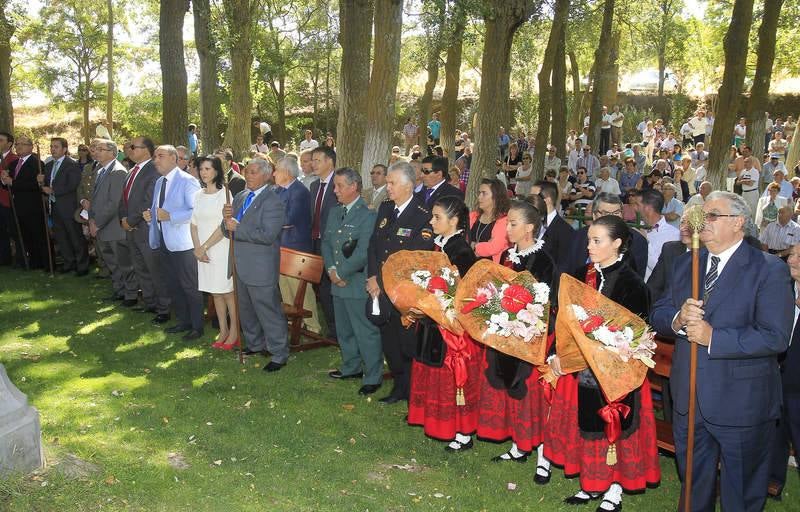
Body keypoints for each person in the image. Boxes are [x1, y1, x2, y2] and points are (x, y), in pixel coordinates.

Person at [651, 190, 793, 511]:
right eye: (703, 215)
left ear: (739, 222)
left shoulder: (768, 269)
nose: (704, 221)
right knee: (693, 487)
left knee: (740, 494)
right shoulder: (687, 263)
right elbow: (658, 312)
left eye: (713, 215)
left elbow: (775, 337)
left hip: (741, 404)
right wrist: (677, 319)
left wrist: (714, 337)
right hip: (689, 399)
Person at [546, 215, 660, 512]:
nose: (590, 246)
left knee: (615, 427)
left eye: (597, 241)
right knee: (586, 425)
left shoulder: (631, 283)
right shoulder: (583, 274)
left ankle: (615, 487)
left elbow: (636, 334)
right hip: (582, 369)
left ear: (617, 243)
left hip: (617, 373)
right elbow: (566, 319)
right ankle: (591, 481)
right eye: (589, 240)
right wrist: (560, 353)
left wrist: (605, 353)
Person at [476, 198, 559, 484]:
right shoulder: (511, 255)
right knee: (513, 391)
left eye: (513, 223)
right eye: (507, 222)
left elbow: (548, 303)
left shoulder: (544, 260)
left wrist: (523, 321)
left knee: (537, 399)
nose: (507, 228)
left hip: (534, 340)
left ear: (530, 228)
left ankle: (544, 457)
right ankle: (519, 444)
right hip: (508, 336)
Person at [407, 196, 481, 450]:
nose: (431, 220)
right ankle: (436, 421)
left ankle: (461, 432)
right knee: (432, 373)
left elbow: (465, 294)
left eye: (437, 217)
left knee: (451, 379)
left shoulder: (461, 251)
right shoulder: (439, 245)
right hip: (433, 322)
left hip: (451, 330)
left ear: (454, 221)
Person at [366, 161, 434, 404]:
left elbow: (416, 258)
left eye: (392, 183)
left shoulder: (423, 216)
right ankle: (399, 387)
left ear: (409, 186)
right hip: (380, 288)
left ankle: (414, 392)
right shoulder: (385, 209)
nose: (388, 187)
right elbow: (374, 246)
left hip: (403, 292)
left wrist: (385, 285)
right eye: (387, 183)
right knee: (389, 342)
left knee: (407, 344)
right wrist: (372, 277)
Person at [222, 158, 289, 372]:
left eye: (252, 172)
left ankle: (279, 352)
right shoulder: (241, 196)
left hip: (260, 266)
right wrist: (226, 223)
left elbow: (268, 235)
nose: (247, 175)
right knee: (246, 309)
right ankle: (254, 343)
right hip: (239, 262)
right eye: (246, 171)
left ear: (266, 175)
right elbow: (227, 231)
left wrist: (237, 228)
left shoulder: (273, 200)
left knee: (267, 310)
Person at [322, 167, 382, 395]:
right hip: (338, 280)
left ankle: (373, 375)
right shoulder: (335, 212)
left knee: (364, 332)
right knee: (344, 330)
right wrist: (331, 270)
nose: (335, 190)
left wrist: (341, 273)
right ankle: (351, 367)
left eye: (339, 186)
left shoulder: (367, 215)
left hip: (355, 282)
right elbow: (327, 243)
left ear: (353, 187)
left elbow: (364, 251)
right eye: (335, 186)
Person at [144, 145, 203, 340]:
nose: (156, 160)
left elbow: (196, 211)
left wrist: (171, 216)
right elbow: (158, 209)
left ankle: (197, 326)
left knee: (189, 285)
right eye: (154, 157)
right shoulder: (160, 181)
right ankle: (183, 321)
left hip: (183, 244)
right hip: (163, 241)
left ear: (173, 158)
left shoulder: (188, 181)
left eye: (160, 156)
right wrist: (150, 215)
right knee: (173, 284)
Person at [119, 137, 171, 321]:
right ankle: (150, 303)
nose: (130, 150)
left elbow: (149, 200)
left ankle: (164, 308)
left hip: (146, 229)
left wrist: (131, 221)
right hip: (132, 228)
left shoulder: (153, 170)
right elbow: (124, 199)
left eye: (134, 147)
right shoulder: (132, 171)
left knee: (155, 270)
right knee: (141, 268)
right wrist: (123, 219)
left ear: (147, 150)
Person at [190, 156, 237, 349]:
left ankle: (234, 331)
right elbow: (193, 224)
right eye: (201, 169)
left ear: (216, 171)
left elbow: (224, 226)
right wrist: (197, 248)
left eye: (208, 169)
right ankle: (223, 330)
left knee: (227, 292)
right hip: (202, 251)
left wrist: (205, 246)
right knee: (215, 293)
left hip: (220, 248)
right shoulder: (198, 194)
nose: (204, 172)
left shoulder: (225, 194)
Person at [767, 243, 800, 500]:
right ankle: (773, 483)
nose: (792, 260)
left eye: (799, 256)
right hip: (778, 374)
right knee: (775, 433)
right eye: (793, 253)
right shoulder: (784, 287)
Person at [273, 157, 319, 335]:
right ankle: (295, 325)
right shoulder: (279, 190)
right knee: (284, 287)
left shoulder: (299, 192)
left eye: (277, 170)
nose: (274, 173)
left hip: (296, 248)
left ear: (287, 173)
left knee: (301, 290)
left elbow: (287, 220)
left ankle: (313, 326)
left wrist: (269, 221)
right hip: (282, 246)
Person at [0, 135, 48, 270]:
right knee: (25, 236)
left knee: (38, 235)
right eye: (17, 144)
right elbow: (7, 185)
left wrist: (12, 182)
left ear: (31, 147)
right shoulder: (13, 164)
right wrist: (4, 180)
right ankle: (32, 262)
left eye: (23, 144)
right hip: (17, 206)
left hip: (33, 205)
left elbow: (35, 185)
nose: (19, 147)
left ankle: (45, 263)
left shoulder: (37, 163)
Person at [42, 137, 88, 275]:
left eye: (56, 146)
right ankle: (69, 262)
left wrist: (54, 191)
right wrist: (41, 181)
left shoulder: (71, 165)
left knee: (75, 236)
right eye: (51, 146)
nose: (53, 149)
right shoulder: (49, 165)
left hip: (68, 206)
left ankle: (82, 265)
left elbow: (72, 184)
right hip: (54, 206)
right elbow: (46, 185)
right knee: (61, 236)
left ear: (64, 149)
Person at [310, 146, 339, 340]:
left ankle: (338, 330)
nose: (313, 164)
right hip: (316, 242)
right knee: (321, 286)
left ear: (329, 161)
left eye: (317, 160)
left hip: (333, 244)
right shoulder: (314, 186)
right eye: (312, 160)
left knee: (332, 288)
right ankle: (332, 327)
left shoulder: (340, 183)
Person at [647, 212, 691, 303]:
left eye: (690, 224)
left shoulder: (711, 254)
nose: (683, 228)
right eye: (682, 222)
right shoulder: (670, 249)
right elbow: (654, 288)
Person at [639, 188, 679, 280]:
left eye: (637, 205)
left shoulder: (674, 235)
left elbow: (661, 270)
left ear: (647, 208)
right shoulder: (637, 227)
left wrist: (645, 242)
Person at [531, 180, 574, 263]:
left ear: (547, 200)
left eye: (533, 197)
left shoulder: (565, 231)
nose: (529, 201)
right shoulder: (529, 223)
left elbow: (563, 265)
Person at [468, 178, 510, 263]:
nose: (479, 197)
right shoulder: (473, 216)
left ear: (496, 197)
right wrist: (485, 245)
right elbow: (460, 240)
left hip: (490, 271)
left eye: (484, 193)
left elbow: (494, 248)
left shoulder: (504, 221)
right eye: (479, 193)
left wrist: (474, 246)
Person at [0, 131, 18, 266]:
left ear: (9, 144)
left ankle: (19, 257)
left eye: (1, 140)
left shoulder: (14, 160)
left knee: (13, 230)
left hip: (7, 200)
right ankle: (4, 258)